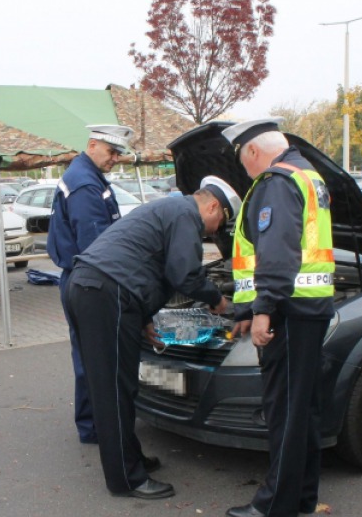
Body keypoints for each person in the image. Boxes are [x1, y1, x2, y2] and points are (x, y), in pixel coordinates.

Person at [64, 180, 240, 499]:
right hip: (105, 294)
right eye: (220, 225)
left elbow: (138, 262)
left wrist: (144, 318)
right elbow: (183, 274)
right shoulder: (186, 214)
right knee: (114, 390)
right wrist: (219, 302)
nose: (216, 233)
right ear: (213, 207)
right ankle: (126, 479)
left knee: (120, 384)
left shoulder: (168, 209)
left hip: (97, 290)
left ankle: (130, 459)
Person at [221, 118, 335, 517]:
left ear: (252, 151)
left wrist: (263, 309)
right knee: (302, 406)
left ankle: (276, 505)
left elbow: (277, 252)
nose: (245, 168)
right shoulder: (309, 175)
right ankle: (303, 494)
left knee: (283, 408)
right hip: (309, 308)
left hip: (287, 311)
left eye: (242, 159)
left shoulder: (276, 181)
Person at [47, 124, 135, 445]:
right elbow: (96, 248)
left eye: (119, 153)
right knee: (94, 357)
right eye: (112, 152)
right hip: (89, 280)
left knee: (87, 354)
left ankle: (92, 423)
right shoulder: (85, 184)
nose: (115, 158)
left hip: (80, 277)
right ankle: (96, 427)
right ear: (92, 144)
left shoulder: (85, 175)